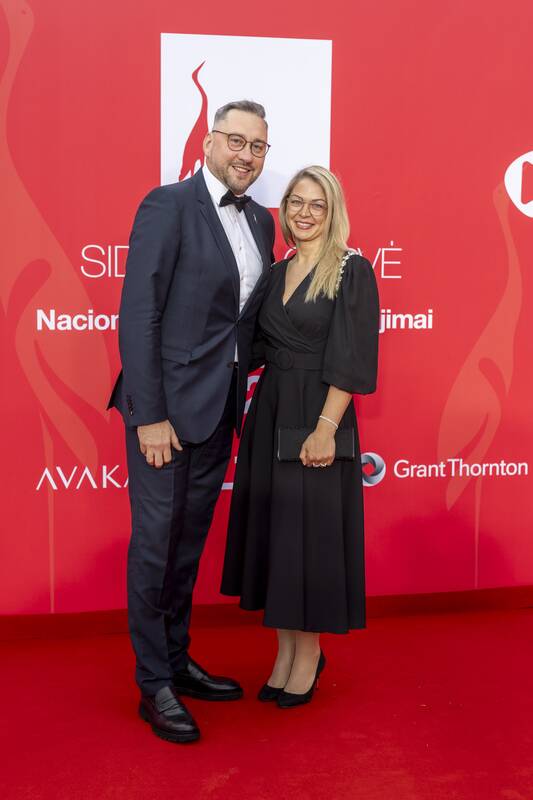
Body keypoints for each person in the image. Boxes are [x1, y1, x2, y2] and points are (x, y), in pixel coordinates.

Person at [108, 100, 275, 742]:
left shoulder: (260, 220)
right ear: (209, 142)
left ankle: (176, 661)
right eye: (236, 140)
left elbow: (241, 324)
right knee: (155, 547)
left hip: (219, 410)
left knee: (185, 549)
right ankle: (153, 682)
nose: (246, 155)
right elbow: (139, 314)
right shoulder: (168, 205)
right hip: (166, 416)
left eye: (257, 146)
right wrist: (149, 415)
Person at [221, 166, 379, 708]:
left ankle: (307, 655)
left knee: (309, 540)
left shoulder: (351, 270)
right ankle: (285, 651)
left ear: (333, 212)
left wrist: (326, 429)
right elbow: (251, 344)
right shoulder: (276, 271)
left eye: (317, 204)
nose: (305, 213)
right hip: (272, 412)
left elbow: (352, 358)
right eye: (296, 203)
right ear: (284, 210)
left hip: (318, 415)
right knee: (280, 538)